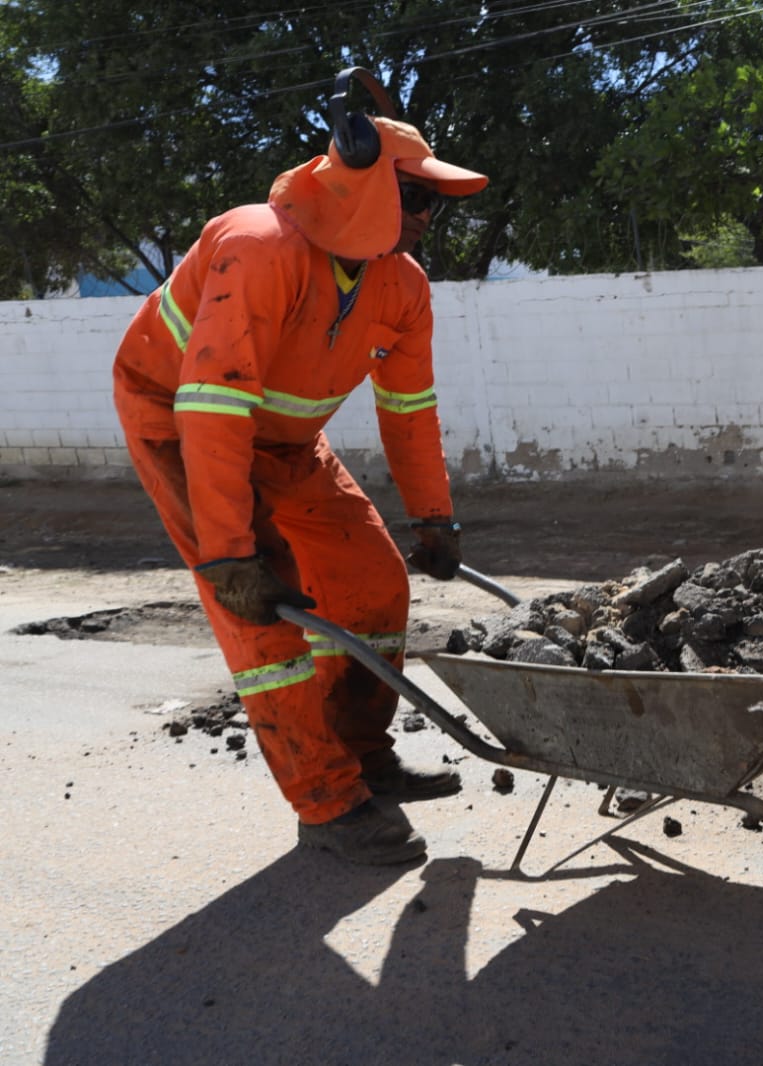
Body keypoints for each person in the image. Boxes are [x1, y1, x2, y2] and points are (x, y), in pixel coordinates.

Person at [112, 70, 489, 864]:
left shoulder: (403, 285)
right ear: (364, 189)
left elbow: (409, 409)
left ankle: (363, 759)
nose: (431, 218)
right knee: (263, 613)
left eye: (436, 204)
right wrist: (227, 550)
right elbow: (211, 405)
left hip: (283, 441)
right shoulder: (258, 246)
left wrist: (433, 516)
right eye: (419, 199)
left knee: (376, 584)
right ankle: (324, 802)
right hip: (182, 426)